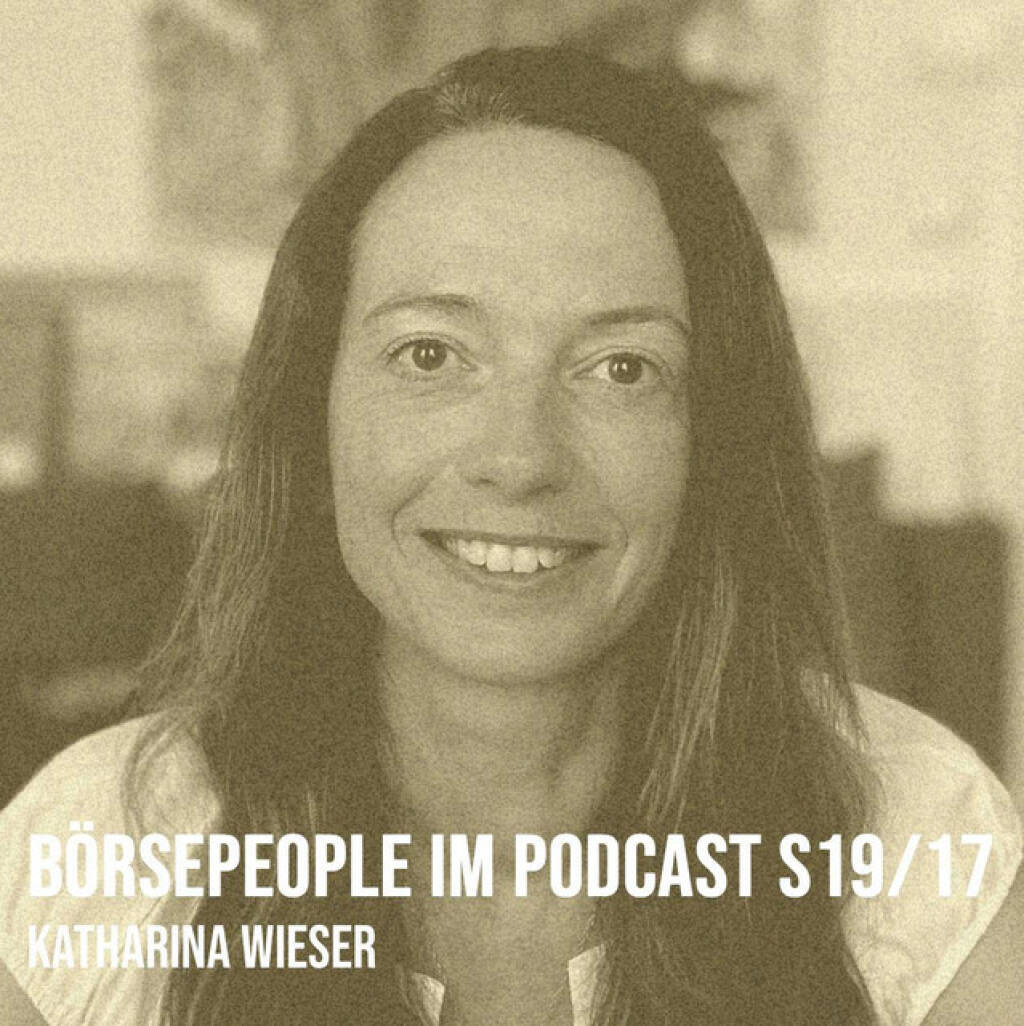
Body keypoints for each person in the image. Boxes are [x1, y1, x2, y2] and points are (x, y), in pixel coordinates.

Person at [0, 46, 1021, 1026]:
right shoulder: (102, 851)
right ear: (313, 415)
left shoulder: (912, 832)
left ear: (712, 439)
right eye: (431, 354)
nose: (519, 458)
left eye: (621, 368)